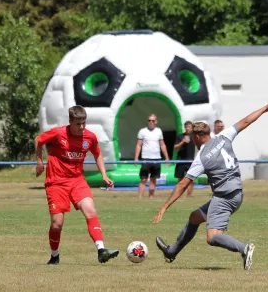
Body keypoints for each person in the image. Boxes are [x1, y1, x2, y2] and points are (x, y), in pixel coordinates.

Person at [152, 101, 268, 270]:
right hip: (237, 193)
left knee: (212, 237)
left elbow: (183, 184)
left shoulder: (202, 157)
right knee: (194, 217)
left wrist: (164, 207)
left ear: (197, 137)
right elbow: (246, 121)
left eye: (193, 139)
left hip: (224, 197)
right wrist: (265, 108)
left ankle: (244, 248)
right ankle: (171, 252)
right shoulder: (224, 136)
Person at [35, 106, 119, 264]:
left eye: (83, 123)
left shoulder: (90, 137)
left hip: (77, 180)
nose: (81, 127)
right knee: (57, 224)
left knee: (90, 211)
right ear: (70, 122)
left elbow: (97, 153)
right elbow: (38, 140)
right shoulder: (59, 133)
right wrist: (40, 162)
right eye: (78, 124)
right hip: (56, 182)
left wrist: (104, 175)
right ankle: (54, 255)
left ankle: (101, 250)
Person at [134, 114, 170, 198]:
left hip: (157, 159)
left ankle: (151, 197)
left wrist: (167, 157)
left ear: (156, 122)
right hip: (145, 158)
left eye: (153, 121)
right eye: (149, 120)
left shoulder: (159, 131)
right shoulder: (142, 131)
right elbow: (138, 145)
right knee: (143, 179)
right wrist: (136, 158)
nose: (151, 122)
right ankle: (139, 197)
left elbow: (162, 145)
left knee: (153, 179)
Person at [174, 121, 195, 197]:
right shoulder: (180, 136)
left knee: (191, 180)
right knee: (180, 179)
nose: (187, 128)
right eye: (186, 127)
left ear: (192, 128)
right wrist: (182, 141)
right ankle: (178, 195)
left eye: (189, 127)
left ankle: (189, 196)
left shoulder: (194, 137)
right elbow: (175, 147)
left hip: (191, 161)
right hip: (181, 160)